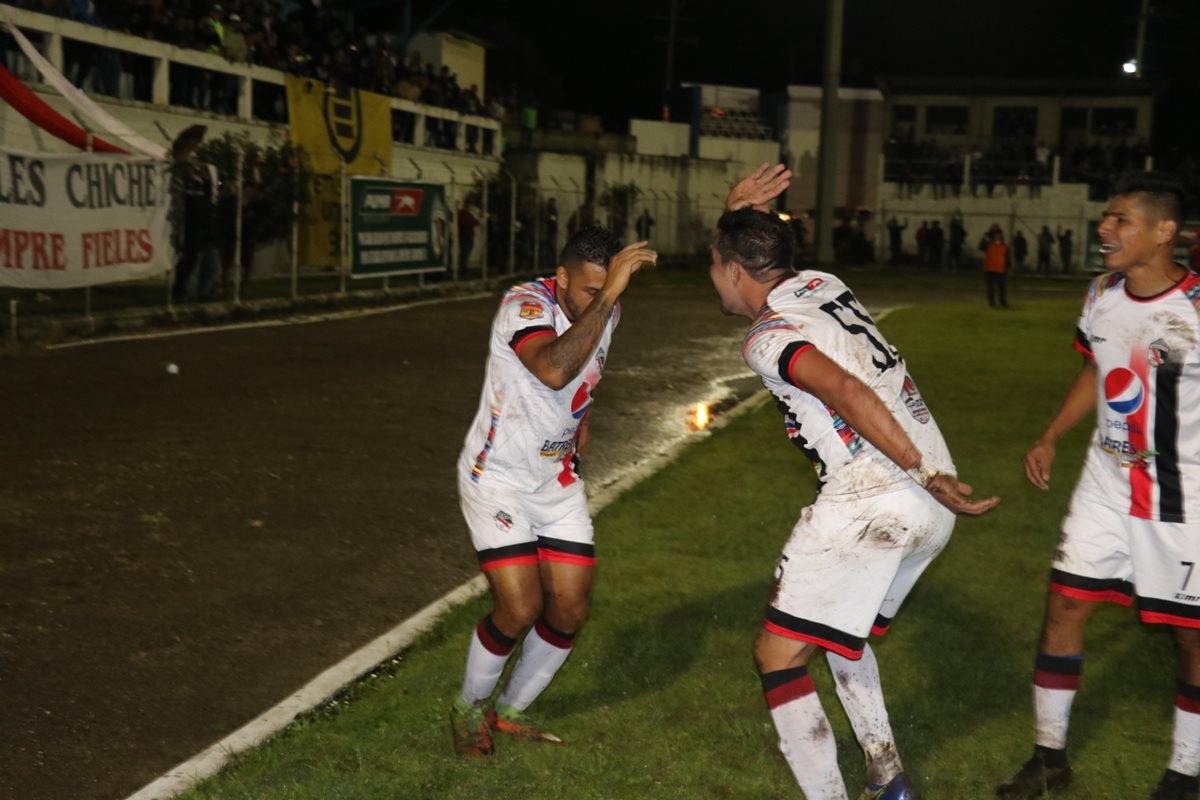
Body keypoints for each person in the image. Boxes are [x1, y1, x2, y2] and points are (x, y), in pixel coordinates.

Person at [714, 164, 1000, 800]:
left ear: (733, 268)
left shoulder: (767, 338)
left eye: (718, 263)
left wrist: (921, 470)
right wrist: (737, 213)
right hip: (928, 506)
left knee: (777, 655)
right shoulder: (824, 283)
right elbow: (763, 261)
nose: (716, 276)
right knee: (841, 635)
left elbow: (843, 389)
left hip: (876, 494)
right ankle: (887, 776)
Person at [997, 171, 1200, 800]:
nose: (1104, 230)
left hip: (1184, 499)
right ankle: (1049, 757)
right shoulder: (1101, 294)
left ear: (1164, 232)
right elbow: (1098, 368)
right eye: (1105, 219)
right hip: (1105, 487)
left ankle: (1185, 771)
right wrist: (1051, 434)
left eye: (1120, 220)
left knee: (1190, 637)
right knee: (1063, 607)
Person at [449, 226, 657, 757]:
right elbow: (553, 369)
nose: (601, 297)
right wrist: (609, 293)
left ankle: (510, 709)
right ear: (562, 276)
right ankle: (468, 709)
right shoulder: (524, 303)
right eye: (590, 288)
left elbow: (584, 381)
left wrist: (575, 427)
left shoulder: (608, 309)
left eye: (605, 289)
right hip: (497, 477)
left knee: (569, 609)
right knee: (520, 607)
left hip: (556, 480)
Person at [982, 226, 1010, 308]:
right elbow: (981, 246)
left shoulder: (1004, 246)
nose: (997, 236)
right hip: (990, 269)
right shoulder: (988, 244)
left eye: (999, 234)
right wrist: (987, 234)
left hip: (1001, 270)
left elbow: (1007, 258)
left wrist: (1008, 267)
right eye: (995, 234)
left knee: (1002, 288)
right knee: (991, 288)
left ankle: (1003, 302)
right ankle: (991, 303)